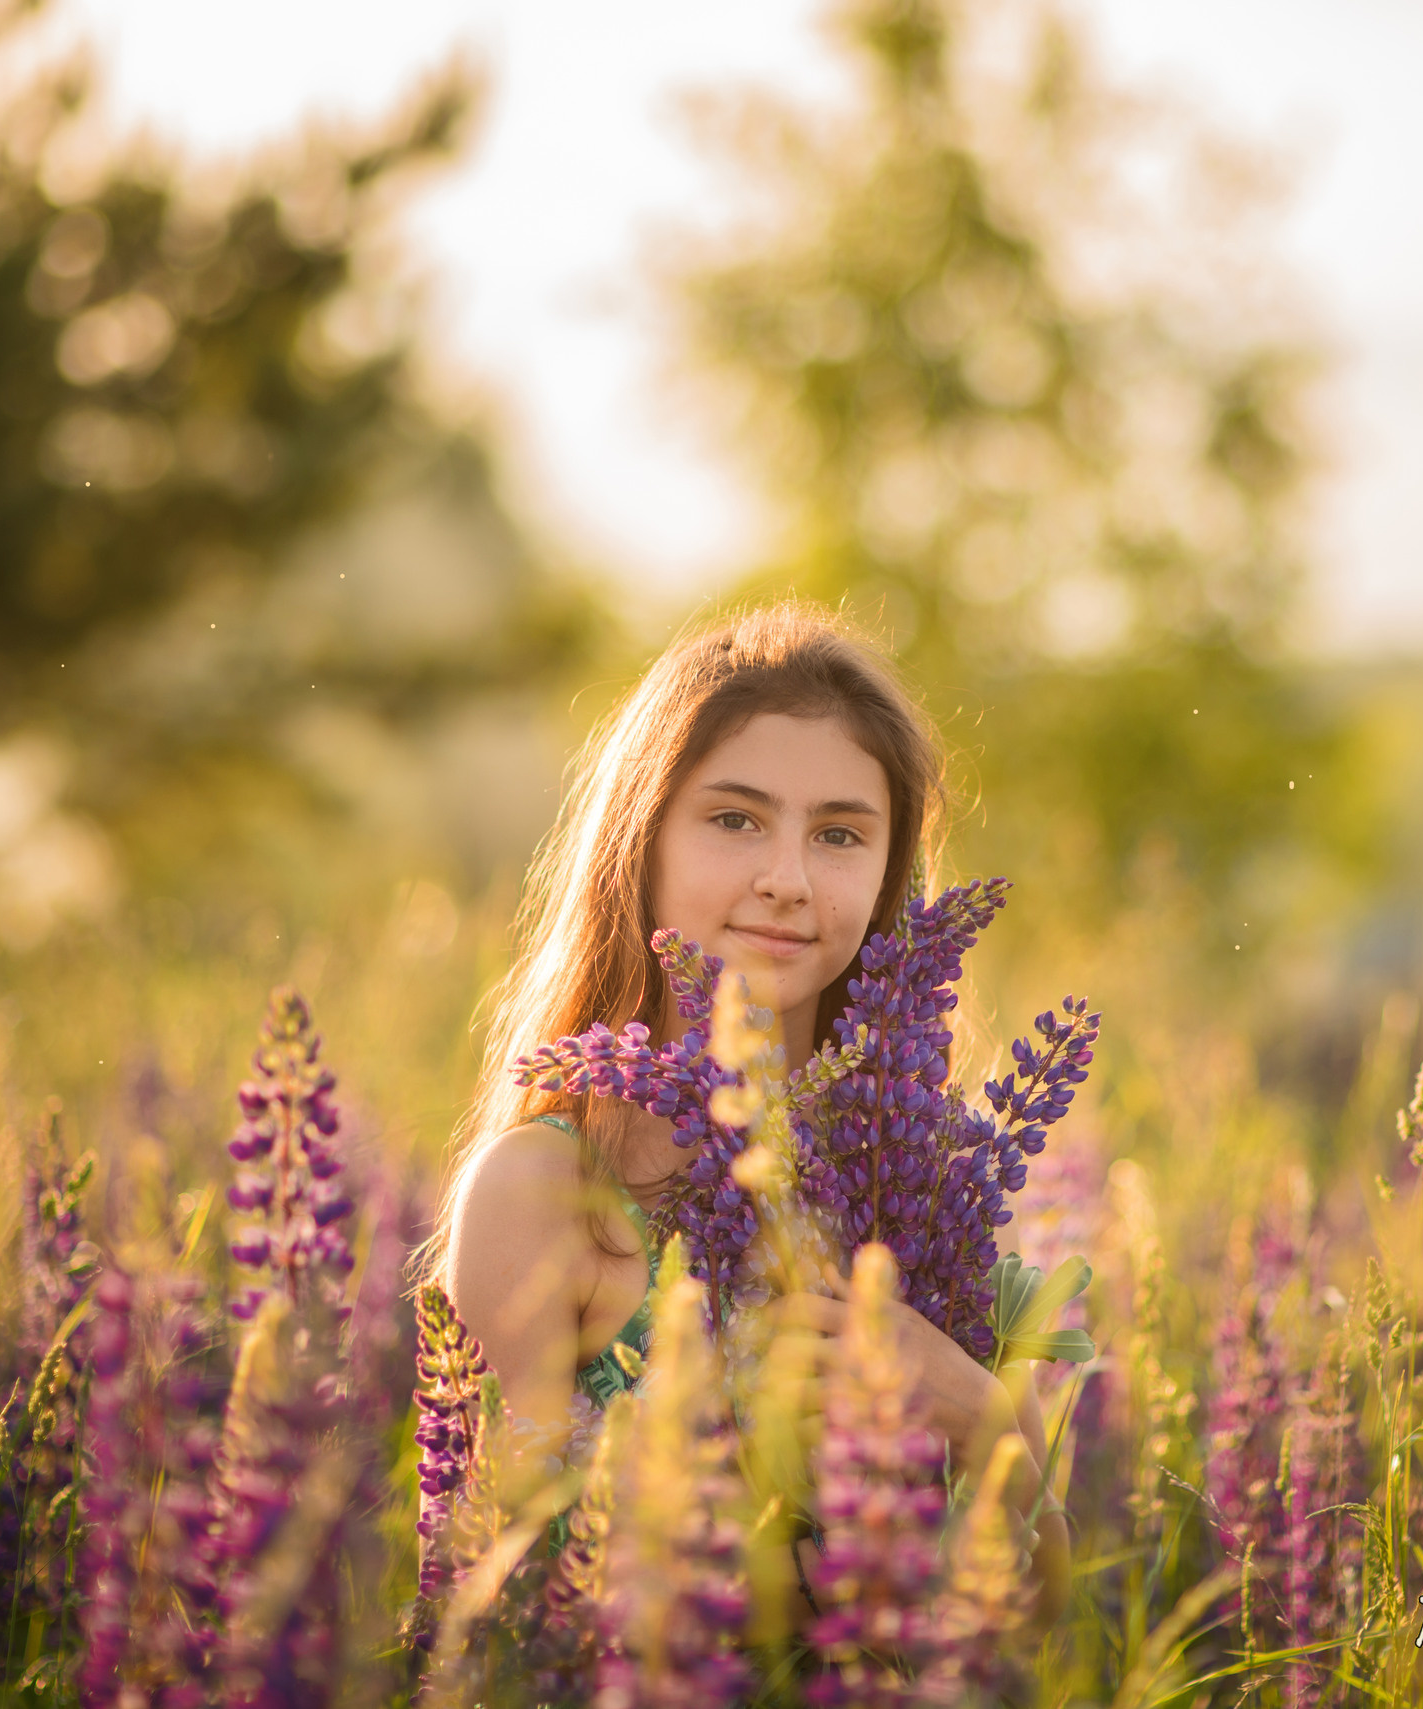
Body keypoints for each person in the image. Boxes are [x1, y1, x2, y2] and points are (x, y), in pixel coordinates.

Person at [423, 601, 1070, 1620]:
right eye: (734, 818)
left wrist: (979, 1417)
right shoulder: (548, 1190)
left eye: (840, 833)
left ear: (888, 870)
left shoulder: (932, 1186)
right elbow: (489, 1608)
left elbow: (1049, 1636)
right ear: (644, 844)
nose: (785, 878)